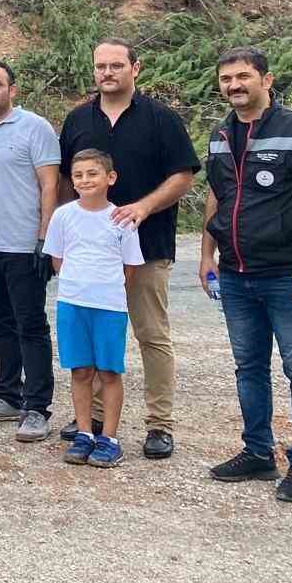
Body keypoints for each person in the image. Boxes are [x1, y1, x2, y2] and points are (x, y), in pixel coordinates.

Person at [202, 46, 292, 503]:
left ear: (266, 79)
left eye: (243, 76)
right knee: (249, 368)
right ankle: (257, 453)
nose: (234, 86)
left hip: (287, 274)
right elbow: (217, 196)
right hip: (236, 274)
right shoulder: (220, 134)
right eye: (226, 79)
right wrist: (207, 256)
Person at [59, 37, 199, 458]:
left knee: (151, 335)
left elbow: (183, 176)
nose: (107, 73)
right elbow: (68, 181)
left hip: (147, 246)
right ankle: (95, 419)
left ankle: (159, 424)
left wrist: (143, 206)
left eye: (116, 65)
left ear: (135, 69)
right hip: (89, 256)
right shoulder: (78, 119)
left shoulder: (161, 119)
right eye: (100, 66)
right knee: (94, 336)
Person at [0, 59, 60, 443]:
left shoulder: (35, 128)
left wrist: (45, 239)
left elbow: (50, 186)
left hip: (23, 247)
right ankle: (7, 395)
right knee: (0, 323)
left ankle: (37, 407)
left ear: (12, 90)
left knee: (30, 325)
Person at [44, 149, 146, 469]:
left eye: (93, 173)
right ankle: (85, 433)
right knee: (81, 370)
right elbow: (58, 258)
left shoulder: (122, 219)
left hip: (109, 306)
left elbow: (130, 267)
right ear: (72, 181)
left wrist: (106, 288)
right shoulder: (63, 216)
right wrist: (77, 284)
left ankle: (109, 439)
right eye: (78, 175)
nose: (85, 180)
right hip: (72, 303)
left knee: (109, 372)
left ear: (110, 178)